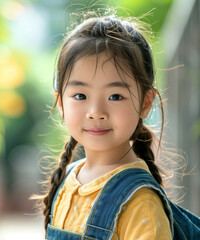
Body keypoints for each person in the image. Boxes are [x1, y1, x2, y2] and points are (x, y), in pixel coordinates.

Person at [42, 14, 173, 239]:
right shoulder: (69, 179)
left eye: (115, 96)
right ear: (61, 103)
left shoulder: (140, 203)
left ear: (145, 103)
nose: (96, 112)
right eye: (80, 95)